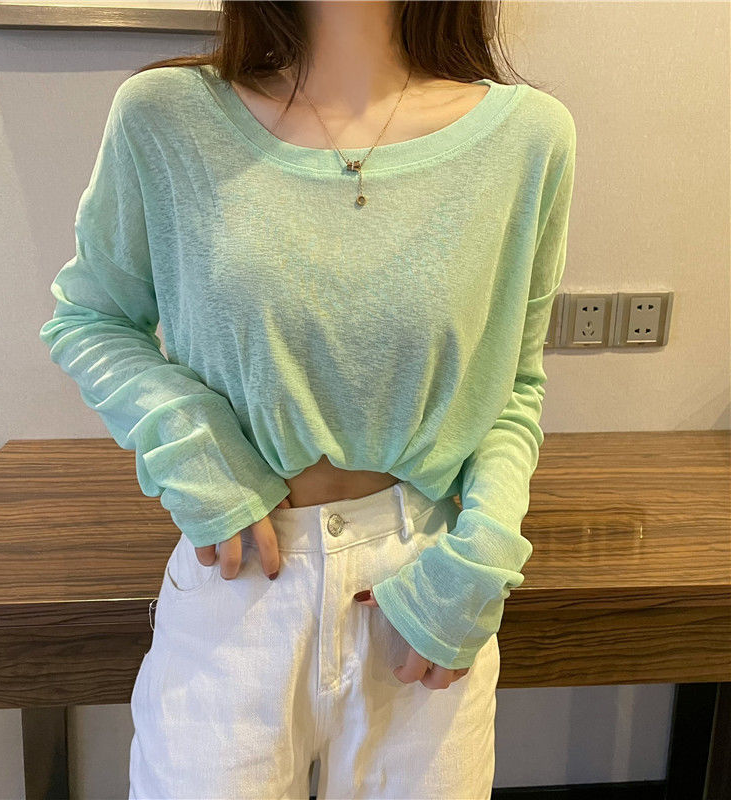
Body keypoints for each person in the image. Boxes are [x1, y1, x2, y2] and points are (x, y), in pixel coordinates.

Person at [38, 1, 577, 797]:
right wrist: (202, 456)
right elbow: (90, 319)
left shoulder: (529, 139)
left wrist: (483, 558)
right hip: (237, 585)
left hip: (424, 583)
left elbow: (513, 386)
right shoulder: (164, 118)